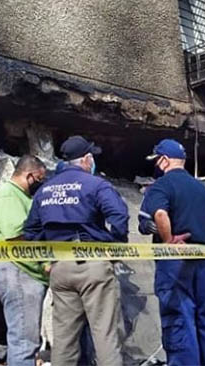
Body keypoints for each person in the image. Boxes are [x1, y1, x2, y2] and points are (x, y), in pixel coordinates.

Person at [24, 135, 128, 366]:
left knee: (64, 341)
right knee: (105, 335)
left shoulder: (45, 190)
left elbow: (30, 231)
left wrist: (47, 256)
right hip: (93, 265)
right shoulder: (96, 185)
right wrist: (116, 246)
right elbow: (119, 216)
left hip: (60, 269)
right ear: (87, 159)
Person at [138, 139, 205, 366]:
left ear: (165, 160)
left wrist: (168, 241)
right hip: (204, 261)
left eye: (157, 160)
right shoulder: (203, 190)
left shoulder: (160, 186)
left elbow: (159, 215)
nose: (156, 165)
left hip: (175, 264)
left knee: (180, 322)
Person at [0, 155, 48, 366]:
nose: (42, 183)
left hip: (24, 273)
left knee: (27, 339)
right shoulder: (7, 196)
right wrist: (44, 261)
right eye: (40, 178)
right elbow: (16, 236)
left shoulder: (24, 198)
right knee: (24, 341)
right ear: (30, 175)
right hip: (18, 273)